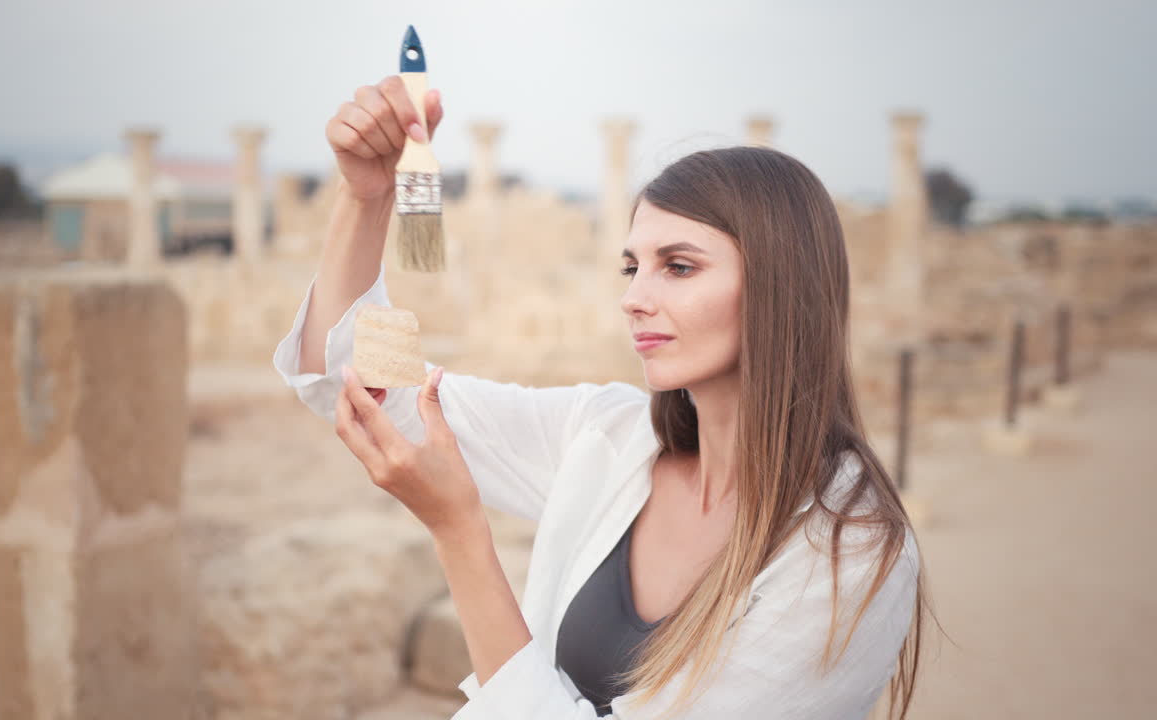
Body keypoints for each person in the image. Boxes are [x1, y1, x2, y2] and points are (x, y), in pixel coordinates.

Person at [272, 75, 930, 719]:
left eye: (678, 266)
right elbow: (358, 381)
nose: (634, 297)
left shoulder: (851, 553)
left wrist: (460, 536)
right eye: (631, 266)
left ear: (782, 286)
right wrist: (369, 198)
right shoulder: (608, 436)